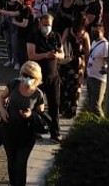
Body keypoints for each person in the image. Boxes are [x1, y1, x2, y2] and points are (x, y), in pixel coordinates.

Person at [0, 61, 47, 186]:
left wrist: (31, 115)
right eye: (25, 75)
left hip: (26, 133)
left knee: (21, 163)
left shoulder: (38, 94)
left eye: (30, 77)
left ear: (36, 79)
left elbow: (40, 114)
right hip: (9, 129)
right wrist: (3, 110)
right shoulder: (14, 84)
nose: (26, 78)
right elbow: (1, 97)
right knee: (11, 161)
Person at [26, 13, 64, 142]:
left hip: (53, 77)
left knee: (55, 104)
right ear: (40, 24)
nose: (47, 27)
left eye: (49, 25)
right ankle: (35, 130)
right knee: (36, 104)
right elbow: (31, 55)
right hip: (38, 77)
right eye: (45, 25)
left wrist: (56, 56)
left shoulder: (56, 37)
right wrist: (45, 55)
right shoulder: (33, 36)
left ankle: (55, 132)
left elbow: (62, 54)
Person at [85, 22, 108, 117]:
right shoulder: (94, 42)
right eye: (92, 31)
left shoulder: (105, 45)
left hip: (99, 79)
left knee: (96, 106)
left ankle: (101, 124)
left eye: (96, 31)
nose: (94, 33)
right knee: (91, 104)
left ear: (102, 32)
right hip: (91, 76)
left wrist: (106, 70)